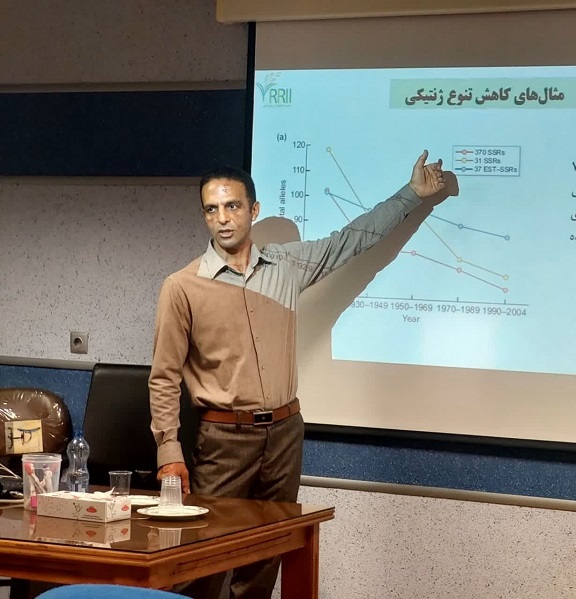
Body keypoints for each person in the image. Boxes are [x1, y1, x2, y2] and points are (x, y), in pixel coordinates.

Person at [148, 150, 447, 598]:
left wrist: (412, 194)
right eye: (212, 209)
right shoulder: (182, 286)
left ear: (253, 210)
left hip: (285, 434)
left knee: (266, 555)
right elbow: (164, 376)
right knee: (200, 558)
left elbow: (352, 239)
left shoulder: (287, 266)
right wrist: (168, 450)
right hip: (224, 440)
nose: (223, 219)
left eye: (232, 206)